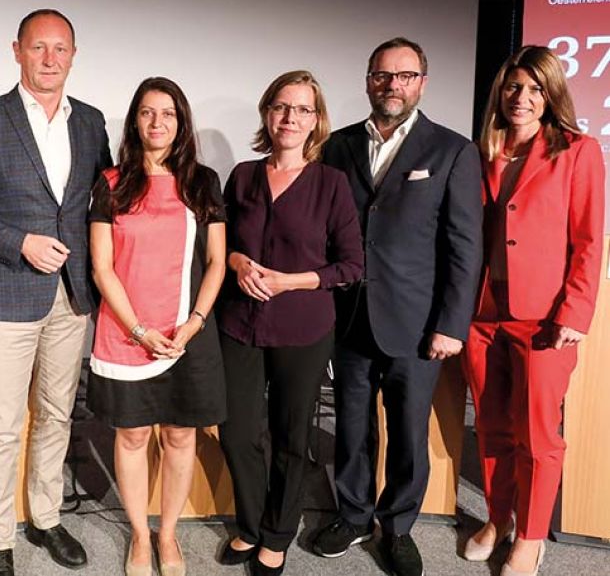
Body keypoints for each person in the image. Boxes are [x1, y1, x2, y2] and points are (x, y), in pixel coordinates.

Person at [0, 9, 112, 576]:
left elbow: (106, 208)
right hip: (8, 294)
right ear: (16, 50)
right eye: (38, 47)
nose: (49, 59)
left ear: (73, 54)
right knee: (1, 423)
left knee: (58, 415)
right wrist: (21, 243)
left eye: (60, 48)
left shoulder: (90, 123)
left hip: (73, 297)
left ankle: (45, 518)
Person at [314, 37, 483, 576]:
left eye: (405, 76)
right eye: (383, 75)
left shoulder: (452, 150)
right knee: (351, 425)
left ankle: (400, 525)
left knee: (409, 431)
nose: (393, 85)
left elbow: (464, 246)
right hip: (349, 316)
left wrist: (452, 324)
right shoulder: (336, 146)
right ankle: (354, 514)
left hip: (418, 322)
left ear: (422, 84)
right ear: (368, 80)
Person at [460, 46, 604, 576]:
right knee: (492, 427)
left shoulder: (577, 150)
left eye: (535, 89)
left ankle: (532, 536)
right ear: (501, 91)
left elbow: (589, 240)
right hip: (480, 314)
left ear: (551, 96)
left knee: (538, 435)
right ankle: (498, 519)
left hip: (543, 319)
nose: (522, 98)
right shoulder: (481, 152)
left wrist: (576, 310)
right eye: (514, 87)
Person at [217, 71, 363, 575]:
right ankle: (252, 524)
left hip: (303, 327)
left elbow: (350, 265)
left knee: (291, 434)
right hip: (239, 322)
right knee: (235, 432)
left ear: (316, 120)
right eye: (282, 107)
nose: (290, 118)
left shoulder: (331, 183)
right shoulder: (241, 175)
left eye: (302, 109)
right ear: (267, 113)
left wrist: (290, 282)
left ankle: (277, 533)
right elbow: (223, 245)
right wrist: (237, 264)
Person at [87, 77, 226, 576]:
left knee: (180, 437)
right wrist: (141, 329)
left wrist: (193, 324)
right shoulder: (110, 183)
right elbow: (102, 268)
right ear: (135, 121)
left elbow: (215, 263)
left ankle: (168, 536)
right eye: (147, 113)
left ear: (181, 122)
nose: (157, 122)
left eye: (167, 114)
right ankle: (140, 537)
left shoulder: (203, 182)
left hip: (187, 334)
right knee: (131, 438)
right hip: (128, 334)